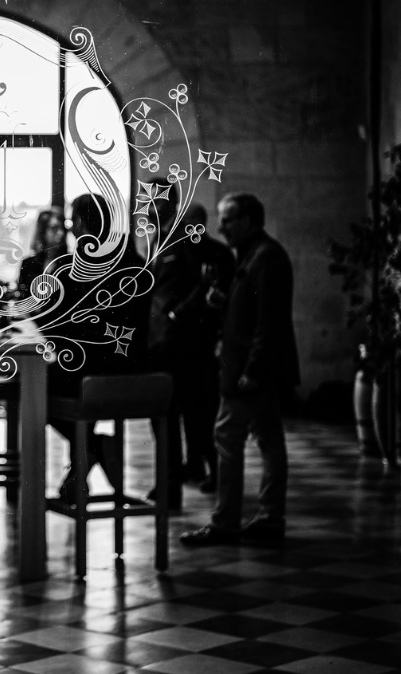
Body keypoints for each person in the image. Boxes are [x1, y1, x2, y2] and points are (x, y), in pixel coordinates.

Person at [180, 192, 299, 545]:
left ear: (248, 220)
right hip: (254, 368)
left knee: (227, 437)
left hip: (252, 371)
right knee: (268, 439)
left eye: (228, 219)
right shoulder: (254, 254)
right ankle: (269, 517)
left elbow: (270, 323)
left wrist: (252, 371)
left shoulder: (267, 257)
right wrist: (224, 302)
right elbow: (250, 311)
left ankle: (226, 522)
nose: (220, 227)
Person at [46, 193, 151, 500]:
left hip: (95, 369)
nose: (70, 228)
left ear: (81, 222)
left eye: (72, 220)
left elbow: (65, 324)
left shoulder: (85, 263)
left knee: (35, 387)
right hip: (133, 367)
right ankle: (86, 458)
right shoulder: (132, 258)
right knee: (67, 377)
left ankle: (91, 449)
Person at [147, 193, 235, 508]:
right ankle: (170, 484)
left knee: (195, 415)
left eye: (152, 203)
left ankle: (180, 484)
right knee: (166, 417)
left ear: (168, 205)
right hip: (162, 344)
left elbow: (203, 284)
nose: (146, 209)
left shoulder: (186, 239)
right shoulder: (159, 237)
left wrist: (174, 316)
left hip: (183, 344)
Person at [16, 207, 68, 300]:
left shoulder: (69, 263)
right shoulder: (28, 264)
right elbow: (22, 299)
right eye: (54, 228)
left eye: (63, 228)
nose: (61, 233)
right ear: (43, 232)